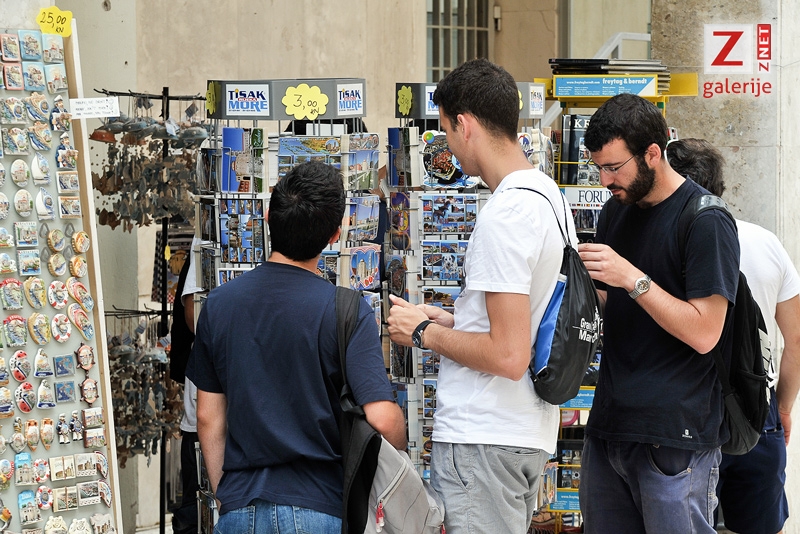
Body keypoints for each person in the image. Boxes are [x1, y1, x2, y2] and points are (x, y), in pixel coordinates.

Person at [387, 58, 574, 534]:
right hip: (522, 431)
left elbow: (509, 356)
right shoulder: (548, 197)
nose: (448, 145)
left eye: (446, 130)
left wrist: (423, 332)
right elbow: (529, 319)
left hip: (485, 436)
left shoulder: (505, 214)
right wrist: (456, 322)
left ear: (464, 125)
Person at [187, 160, 406, 534]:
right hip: (319, 506)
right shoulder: (346, 309)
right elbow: (383, 420)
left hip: (240, 506)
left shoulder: (220, 304)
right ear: (335, 235)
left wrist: (227, 496)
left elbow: (208, 416)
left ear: (268, 218)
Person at [576, 94, 740, 533]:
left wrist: (632, 278)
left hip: (675, 436)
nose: (606, 180)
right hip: (610, 427)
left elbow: (705, 331)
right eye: (598, 168)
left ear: (652, 152)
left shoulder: (706, 220)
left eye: (615, 167)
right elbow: (608, 306)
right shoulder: (615, 211)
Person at [667, 137, 800, 534]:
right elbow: (796, 341)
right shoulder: (766, 243)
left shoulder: (664, 243)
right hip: (755, 405)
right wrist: (783, 407)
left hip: (683, 411)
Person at [169, 239, 203, 534]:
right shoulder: (202, 240)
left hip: (206, 415)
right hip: (203, 418)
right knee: (198, 511)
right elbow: (193, 316)